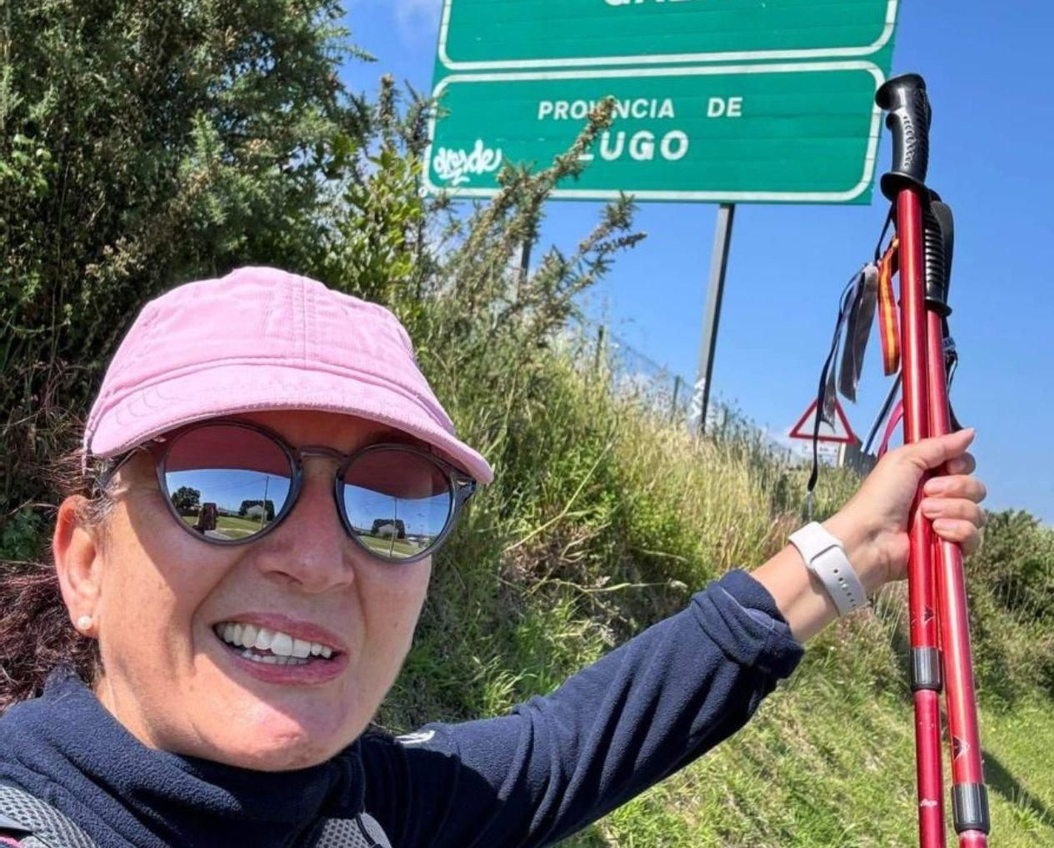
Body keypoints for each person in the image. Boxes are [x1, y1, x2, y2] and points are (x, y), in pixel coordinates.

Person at [0, 266, 990, 846]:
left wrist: (854, 546)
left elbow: (575, 742)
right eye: (223, 486)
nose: (317, 558)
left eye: (389, 498)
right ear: (86, 561)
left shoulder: (365, 808)